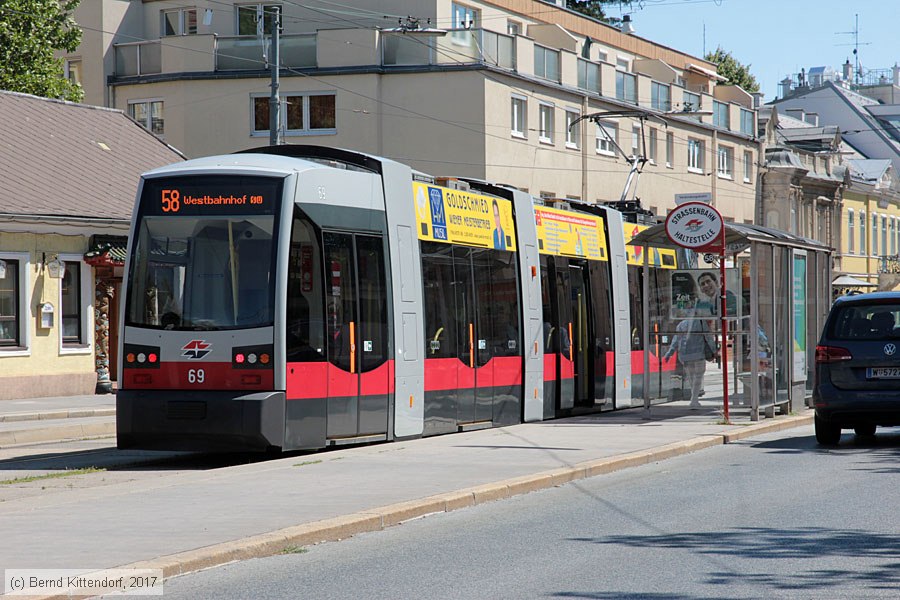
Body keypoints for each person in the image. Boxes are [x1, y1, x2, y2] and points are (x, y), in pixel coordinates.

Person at [664, 317, 716, 409]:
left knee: (691, 377)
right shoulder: (701, 322)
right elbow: (708, 337)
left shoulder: (681, 324)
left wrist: (669, 354)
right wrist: (714, 350)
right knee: (698, 377)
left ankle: (694, 398)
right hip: (698, 354)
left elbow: (676, 341)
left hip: (685, 355)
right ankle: (694, 399)